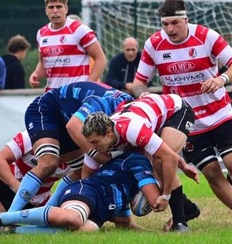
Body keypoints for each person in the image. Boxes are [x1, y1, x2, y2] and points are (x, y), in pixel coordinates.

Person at [132, 0, 232, 213]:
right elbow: (139, 83)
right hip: (186, 121)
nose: (169, 29)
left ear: (186, 20)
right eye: (165, 24)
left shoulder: (206, 36)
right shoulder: (153, 44)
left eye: (175, 23)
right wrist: (144, 95)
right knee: (212, 173)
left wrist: (220, 79)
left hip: (220, 114)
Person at [6, 81, 135, 214]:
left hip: (68, 118)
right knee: (48, 163)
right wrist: (95, 154)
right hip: (47, 110)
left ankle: (46, 213)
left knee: (83, 173)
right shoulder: (104, 102)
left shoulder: (129, 113)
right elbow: (73, 126)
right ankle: (8, 217)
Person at [81, 93, 200, 232]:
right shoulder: (102, 141)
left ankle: (180, 222)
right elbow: (87, 179)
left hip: (176, 110)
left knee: (159, 162)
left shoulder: (132, 129)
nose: (93, 148)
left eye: (95, 142)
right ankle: (189, 208)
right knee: (150, 164)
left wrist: (166, 195)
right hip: (146, 118)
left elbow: (169, 157)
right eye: (90, 143)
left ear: (108, 133)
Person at [0, 151, 162, 234]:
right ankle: (3, 218)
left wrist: (158, 233)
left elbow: (126, 225)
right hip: (86, 191)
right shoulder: (138, 160)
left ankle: (15, 231)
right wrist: (165, 196)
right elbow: (153, 198)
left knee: (84, 231)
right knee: (73, 219)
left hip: (98, 212)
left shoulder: (126, 193)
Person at [28, 0, 107, 91]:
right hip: (53, 94)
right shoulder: (41, 33)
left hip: (75, 94)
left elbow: (101, 59)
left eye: (59, 6)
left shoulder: (80, 30)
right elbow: (43, 63)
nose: (55, 11)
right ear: (46, 11)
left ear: (66, 9)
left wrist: (87, 85)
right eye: (51, 7)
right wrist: (35, 74)